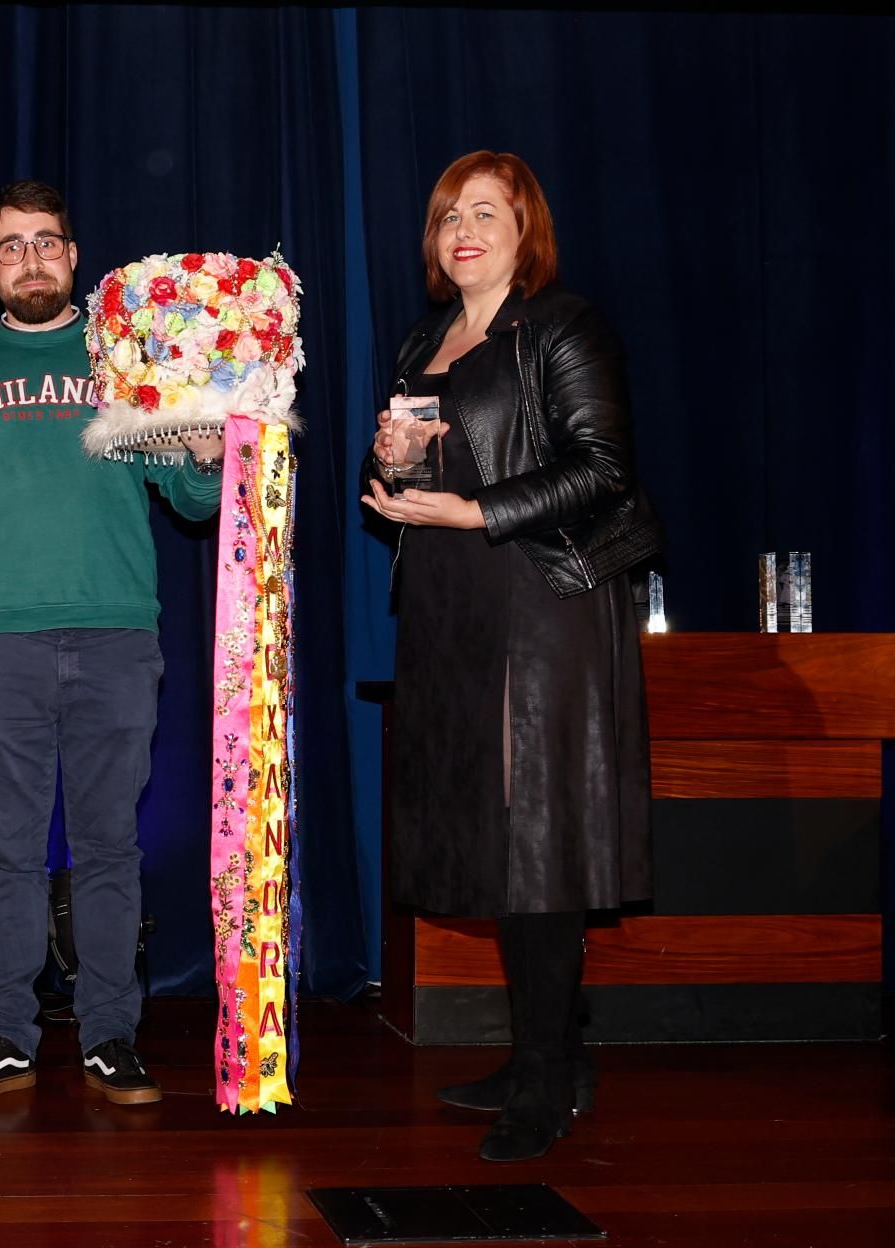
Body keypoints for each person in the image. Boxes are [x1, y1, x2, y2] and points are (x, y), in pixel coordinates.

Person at [360, 151, 664, 1161]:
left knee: (541, 840)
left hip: (542, 605)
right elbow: (412, 460)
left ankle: (545, 1076)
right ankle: (547, 1050)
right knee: (493, 839)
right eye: (450, 214)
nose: (464, 230)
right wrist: (391, 470)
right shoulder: (424, 339)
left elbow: (605, 469)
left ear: (526, 227)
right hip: (451, 612)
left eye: (486, 212)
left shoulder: (563, 326)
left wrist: (476, 508)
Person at [0, 180, 224, 1106]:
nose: (31, 258)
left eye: (47, 242)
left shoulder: (129, 365)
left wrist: (203, 453)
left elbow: (192, 503)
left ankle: (112, 1036)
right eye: (12, 246)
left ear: (74, 256)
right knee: (6, 852)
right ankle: (5, 1035)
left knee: (110, 849)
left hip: (118, 639)